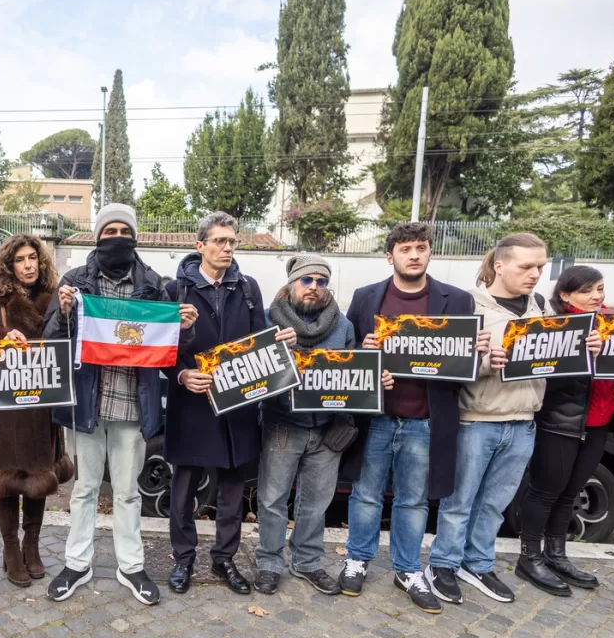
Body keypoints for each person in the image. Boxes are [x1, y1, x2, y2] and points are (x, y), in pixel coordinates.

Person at [426, 233, 599, 605]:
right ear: (499, 265)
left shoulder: (541, 307)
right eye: (526, 266)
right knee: (460, 502)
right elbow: (443, 363)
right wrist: (486, 364)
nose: (535, 274)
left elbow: (555, 363)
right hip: (476, 420)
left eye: (540, 266)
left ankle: (477, 563)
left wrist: (586, 351)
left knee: (495, 504)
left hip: (524, 422)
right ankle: (443, 564)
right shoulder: (467, 305)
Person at [42, 202, 196, 605]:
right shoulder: (75, 281)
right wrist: (63, 313)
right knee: (84, 490)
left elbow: (169, 350)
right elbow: (51, 340)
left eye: (124, 232)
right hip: (87, 406)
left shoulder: (154, 285)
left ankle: (131, 566)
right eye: (109, 232)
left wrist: (183, 329)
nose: (117, 238)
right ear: (97, 237)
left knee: (128, 493)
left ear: (134, 237)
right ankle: (77, 563)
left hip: (133, 406)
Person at [341, 222, 489, 612]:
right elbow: (347, 355)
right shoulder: (365, 297)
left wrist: (476, 352)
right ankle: (357, 559)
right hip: (377, 418)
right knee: (366, 495)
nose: (414, 255)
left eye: (421, 248)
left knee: (413, 501)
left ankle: (407, 569)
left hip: (425, 420)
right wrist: (363, 350)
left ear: (429, 253)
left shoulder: (457, 300)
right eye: (405, 249)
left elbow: (465, 366)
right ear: (389, 256)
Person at [166, 212, 288, 595]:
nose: (227, 247)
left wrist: (277, 345)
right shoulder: (174, 290)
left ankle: (224, 558)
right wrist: (183, 376)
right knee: (184, 488)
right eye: (219, 240)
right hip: (192, 404)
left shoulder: (248, 288)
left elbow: (257, 342)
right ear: (200, 245)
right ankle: (183, 559)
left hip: (237, 407)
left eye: (232, 241)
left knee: (233, 488)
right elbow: (159, 351)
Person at [256, 254, 378, 596]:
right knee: (272, 499)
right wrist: (277, 350)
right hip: (283, 425)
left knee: (317, 501)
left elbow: (353, 375)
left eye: (321, 281)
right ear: (292, 284)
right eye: (306, 280)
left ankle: (307, 561)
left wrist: (353, 408)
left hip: (327, 428)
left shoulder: (343, 326)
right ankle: (269, 562)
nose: (314, 287)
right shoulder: (267, 320)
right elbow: (256, 373)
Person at [519, 266, 614, 596]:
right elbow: (542, 377)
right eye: (587, 291)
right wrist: (583, 353)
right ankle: (530, 557)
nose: (596, 296)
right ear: (565, 295)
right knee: (545, 491)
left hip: (600, 424)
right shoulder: (555, 326)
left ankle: (557, 555)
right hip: (560, 424)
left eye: (599, 288)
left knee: (570, 493)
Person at [0, 234, 73, 586]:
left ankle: (31, 545)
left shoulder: (55, 298)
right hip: (9, 406)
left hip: (43, 405)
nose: (28, 265)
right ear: (9, 265)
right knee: (7, 479)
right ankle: (10, 550)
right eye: (20, 260)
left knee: (38, 477)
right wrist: (2, 339)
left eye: (33, 258)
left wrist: (67, 314)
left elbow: (68, 344)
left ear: (41, 262)